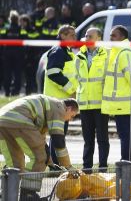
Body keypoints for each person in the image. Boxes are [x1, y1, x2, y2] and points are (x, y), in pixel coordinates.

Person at [0, 95, 79, 200]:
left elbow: (41, 142)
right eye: (72, 116)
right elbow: (58, 141)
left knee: (15, 164)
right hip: (20, 120)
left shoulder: (48, 106)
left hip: (3, 120)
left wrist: (51, 162)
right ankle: (28, 195)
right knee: (39, 158)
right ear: (68, 109)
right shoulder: (59, 108)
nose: (69, 120)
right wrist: (68, 166)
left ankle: (6, 194)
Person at [76, 27, 110, 172]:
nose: (87, 38)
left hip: (101, 104)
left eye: (90, 36)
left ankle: (103, 168)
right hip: (85, 105)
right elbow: (77, 78)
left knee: (102, 139)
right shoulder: (79, 55)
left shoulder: (106, 54)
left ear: (99, 38)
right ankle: (87, 168)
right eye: (86, 35)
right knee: (88, 140)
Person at [43, 25, 78, 165]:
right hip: (57, 101)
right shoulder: (58, 51)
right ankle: (56, 165)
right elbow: (53, 73)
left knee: (58, 134)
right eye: (72, 35)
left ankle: (56, 164)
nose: (75, 38)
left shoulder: (65, 51)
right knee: (58, 135)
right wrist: (71, 90)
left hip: (61, 101)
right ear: (63, 35)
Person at [102, 25, 131, 161]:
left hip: (123, 104)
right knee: (125, 135)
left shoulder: (123, 52)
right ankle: (126, 161)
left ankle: (125, 162)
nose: (110, 38)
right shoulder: (118, 51)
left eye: (114, 35)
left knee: (125, 135)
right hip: (121, 104)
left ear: (122, 37)